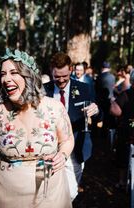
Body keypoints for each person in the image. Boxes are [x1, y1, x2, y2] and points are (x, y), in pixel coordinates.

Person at [0, 48, 74, 207]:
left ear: (29, 76)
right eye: (3, 74)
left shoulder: (55, 108)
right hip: (5, 196)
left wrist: (62, 155)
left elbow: (67, 140)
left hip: (50, 195)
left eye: (13, 72)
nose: (6, 79)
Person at [44, 52, 101, 200]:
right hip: (49, 148)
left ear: (70, 69)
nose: (61, 80)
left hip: (76, 148)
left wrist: (96, 111)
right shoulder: (43, 90)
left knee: (71, 191)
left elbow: (99, 116)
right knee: (48, 189)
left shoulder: (84, 89)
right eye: (57, 76)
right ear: (51, 71)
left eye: (64, 75)